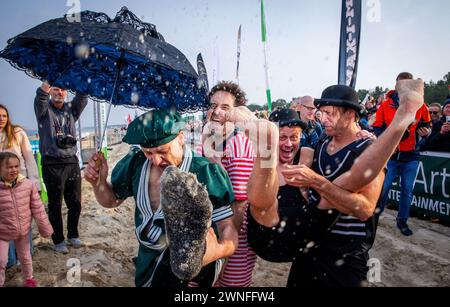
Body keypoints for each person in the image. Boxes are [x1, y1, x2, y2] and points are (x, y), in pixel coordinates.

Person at [240, 79, 425, 287]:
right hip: (310, 247)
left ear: (350, 114)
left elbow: (364, 209)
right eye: (322, 112)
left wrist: (316, 181)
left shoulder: (369, 150)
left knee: (344, 181)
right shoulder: (323, 143)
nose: (323, 118)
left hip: (345, 258)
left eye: (330, 113)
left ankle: (402, 119)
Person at [84, 109, 238, 287]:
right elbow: (111, 201)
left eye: (162, 151)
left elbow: (230, 233)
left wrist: (215, 252)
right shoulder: (136, 163)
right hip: (147, 263)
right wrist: (98, 183)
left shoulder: (205, 172)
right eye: (148, 152)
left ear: (180, 138)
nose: (156, 161)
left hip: (195, 272)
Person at [202, 81, 257, 287]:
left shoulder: (238, 143)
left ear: (237, 114)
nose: (216, 112)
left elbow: (239, 206)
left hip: (234, 238)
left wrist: (224, 252)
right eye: (213, 105)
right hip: (210, 233)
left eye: (225, 108)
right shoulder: (209, 140)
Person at [373, 72, 432, 236]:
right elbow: (377, 127)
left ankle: (402, 221)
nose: (402, 87)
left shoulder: (421, 106)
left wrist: (426, 132)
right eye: (400, 84)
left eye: (406, 84)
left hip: (411, 155)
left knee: (407, 190)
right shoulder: (385, 105)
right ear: (396, 85)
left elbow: (427, 126)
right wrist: (389, 142)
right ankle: (375, 217)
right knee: (383, 188)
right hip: (390, 156)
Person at [34, 81, 88, 253]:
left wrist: (79, 77)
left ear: (66, 93)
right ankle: (58, 240)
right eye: (56, 89)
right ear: (50, 92)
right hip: (52, 162)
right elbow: (41, 97)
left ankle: (73, 235)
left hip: (71, 161)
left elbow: (82, 97)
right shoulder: (43, 110)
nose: (59, 92)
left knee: (75, 202)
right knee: (55, 204)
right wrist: (47, 84)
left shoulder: (71, 109)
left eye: (63, 90)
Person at [0, 152, 53, 287]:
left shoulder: (28, 185)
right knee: (1, 260)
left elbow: (38, 208)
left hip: (23, 229)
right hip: (3, 232)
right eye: (9, 167)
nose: (14, 170)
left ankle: (29, 279)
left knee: (25, 257)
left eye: (16, 166)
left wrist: (45, 228)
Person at [0, 104, 40, 268]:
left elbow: (30, 159)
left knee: (23, 220)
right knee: (4, 223)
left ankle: (25, 254)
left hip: (21, 184)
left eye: (4, 115)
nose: (1, 119)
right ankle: (9, 260)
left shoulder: (17, 133)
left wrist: (35, 183)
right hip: (2, 188)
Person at [295, 96, 324, 167]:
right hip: (293, 166)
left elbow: (320, 147)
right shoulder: (292, 125)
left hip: (313, 167)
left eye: (313, 108)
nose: (311, 111)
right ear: (300, 107)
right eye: (308, 108)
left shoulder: (317, 126)